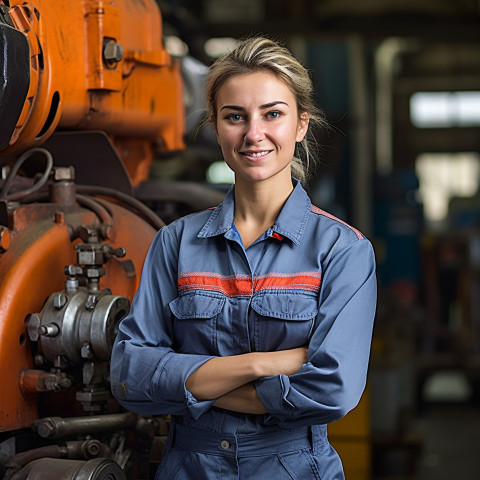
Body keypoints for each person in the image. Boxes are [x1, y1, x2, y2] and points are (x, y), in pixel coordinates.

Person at [110, 36, 377, 480]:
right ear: (216, 127)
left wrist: (188, 383)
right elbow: (129, 376)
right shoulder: (175, 243)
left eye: (273, 114)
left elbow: (333, 390)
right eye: (235, 117)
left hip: (293, 466)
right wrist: (263, 364)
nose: (254, 134)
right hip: (187, 468)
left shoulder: (342, 250)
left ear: (301, 125)